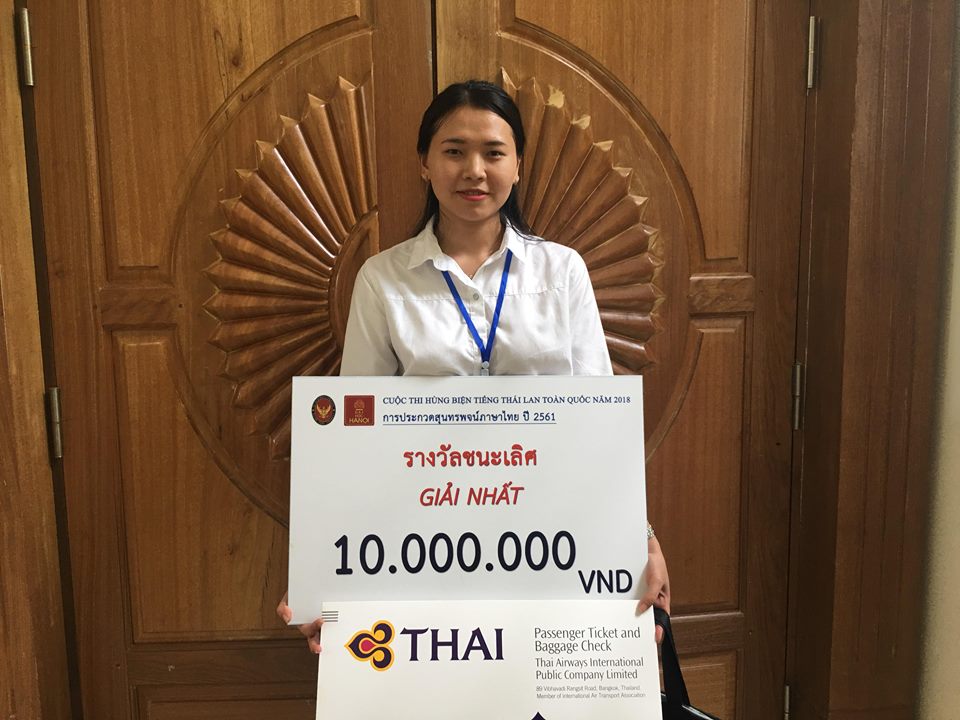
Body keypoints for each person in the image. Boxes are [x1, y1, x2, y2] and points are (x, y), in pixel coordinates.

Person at [277, 79, 670, 650]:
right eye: (454, 151)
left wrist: (642, 539)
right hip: (422, 539)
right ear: (424, 162)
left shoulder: (562, 272)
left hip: (554, 533)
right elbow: (355, 433)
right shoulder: (382, 280)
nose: (474, 171)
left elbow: (598, 424)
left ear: (518, 165)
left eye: (493, 152)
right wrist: (323, 579)